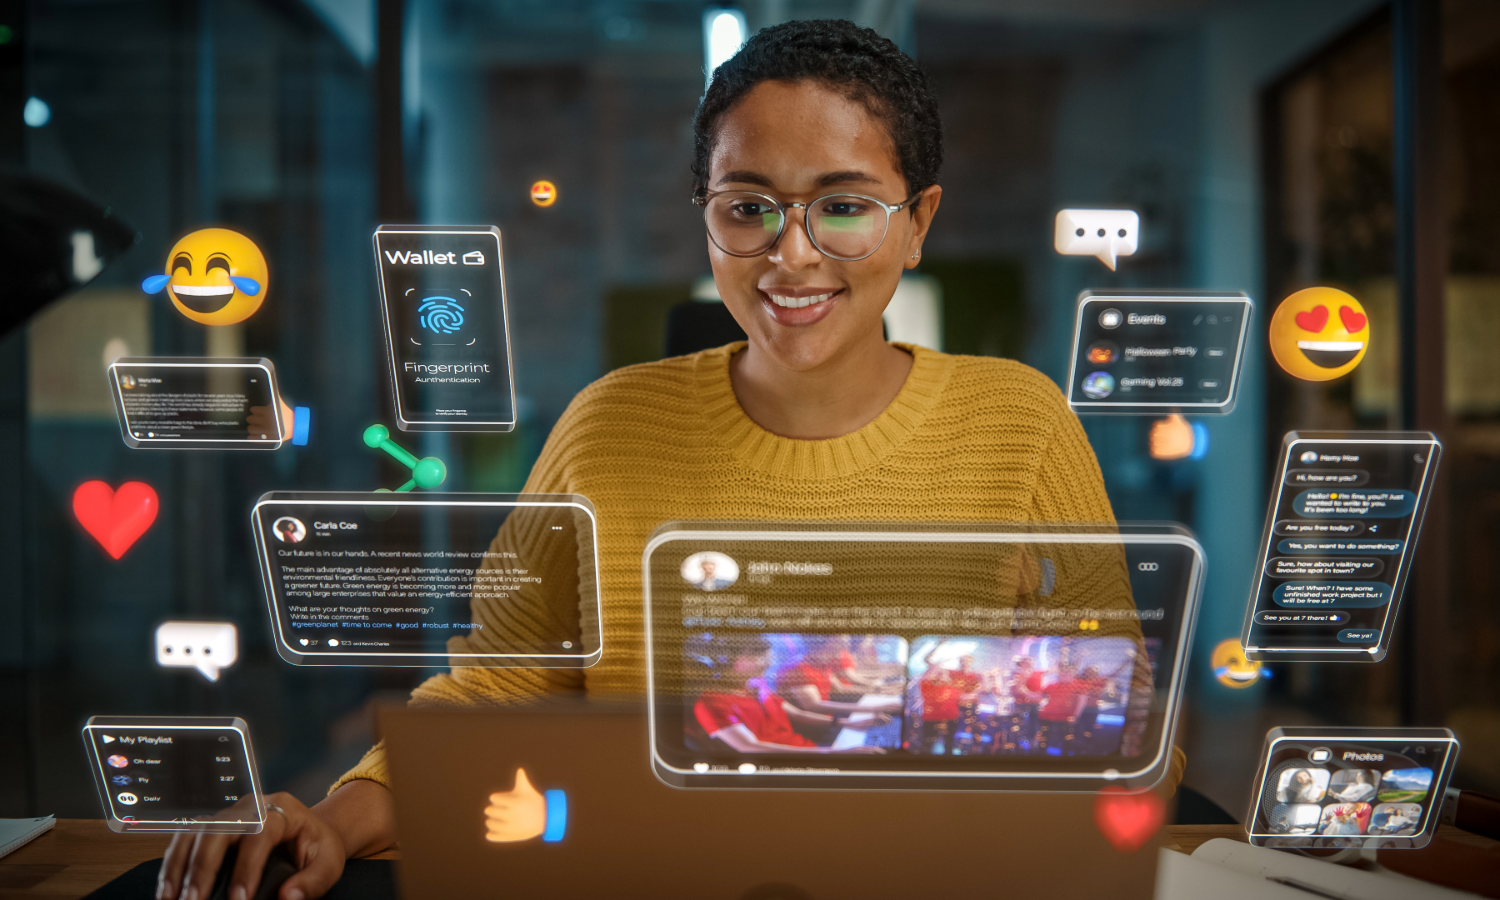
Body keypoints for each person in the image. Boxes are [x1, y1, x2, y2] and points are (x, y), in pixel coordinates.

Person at [159, 19, 1181, 900]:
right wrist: (338, 819)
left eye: (845, 204)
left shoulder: (1022, 424)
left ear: (917, 223)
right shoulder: (607, 428)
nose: (791, 253)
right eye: (747, 206)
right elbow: (496, 695)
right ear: (706, 219)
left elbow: (1121, 732)